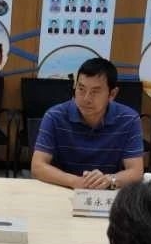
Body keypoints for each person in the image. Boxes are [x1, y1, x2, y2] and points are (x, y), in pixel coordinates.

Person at [32, 58, 144, 190]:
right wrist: (75, 181)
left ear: (112, 94)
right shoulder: (55, 116)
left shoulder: (129, 119)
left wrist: (109, 180)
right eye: (81, 89)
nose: (86, 98)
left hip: (107, 192)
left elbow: (136, 171)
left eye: (95, 91)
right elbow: (37, 166)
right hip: (64, 188)